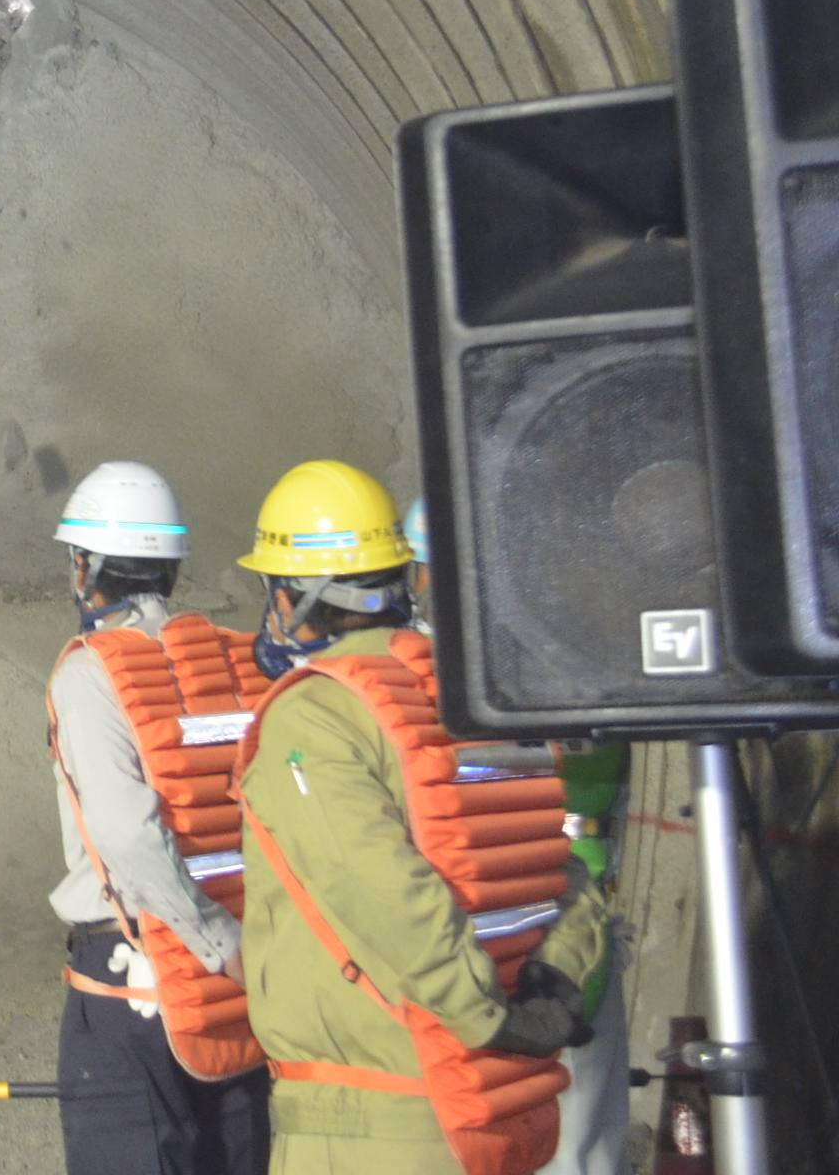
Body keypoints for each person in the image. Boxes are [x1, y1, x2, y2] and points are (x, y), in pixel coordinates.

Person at [234, 463, 608, 1175]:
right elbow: (557, 870)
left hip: (366, 1124)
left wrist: (485, 1019)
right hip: (496, 1109)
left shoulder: (312, 715)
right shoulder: (478, 699)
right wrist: (552, 991)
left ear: (296, 595)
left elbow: (375, 885)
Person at [44, 460, 270, 1174]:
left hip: (134, 985)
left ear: (86, 566)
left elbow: (125, 834)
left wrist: (212, 938)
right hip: (236, 995)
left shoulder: (91, 673)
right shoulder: (238, 665)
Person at [403, 498, 632, 1175]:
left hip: (495, 925)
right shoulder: (566, 646)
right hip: (569, 911)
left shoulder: (423, 672)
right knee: (580, 1137)